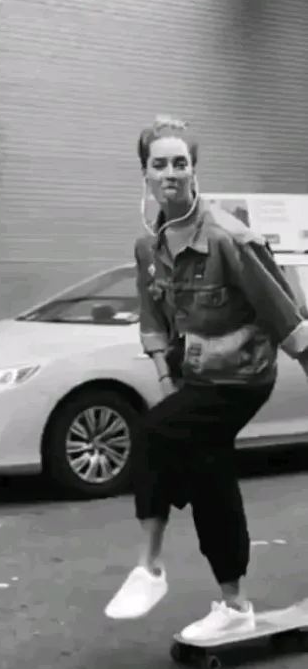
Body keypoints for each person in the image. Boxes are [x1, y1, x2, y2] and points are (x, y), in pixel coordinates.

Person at [104, 115, 308, 641]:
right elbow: (153, 322)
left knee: (154, 434)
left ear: (194, 170)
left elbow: (285, 316)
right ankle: (234, 603)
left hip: (242, 376)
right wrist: (166, 379)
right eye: (159, 164)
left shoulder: (228, 238)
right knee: (209, 477)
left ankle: (148, 569)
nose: (170, 173)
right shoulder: (149, 248)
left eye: (181, 163)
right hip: (195, 379)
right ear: (144, 175)